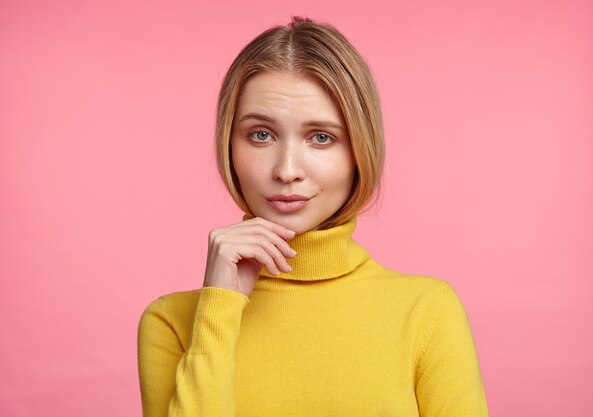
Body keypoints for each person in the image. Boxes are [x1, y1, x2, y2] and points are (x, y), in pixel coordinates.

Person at [137, 17, 489, 417]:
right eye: (261, 135)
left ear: (360, 149)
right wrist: (218, 311)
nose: (287, 170)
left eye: (321, 137)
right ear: (228, 144)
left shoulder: (426, 311)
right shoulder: (172, 322)